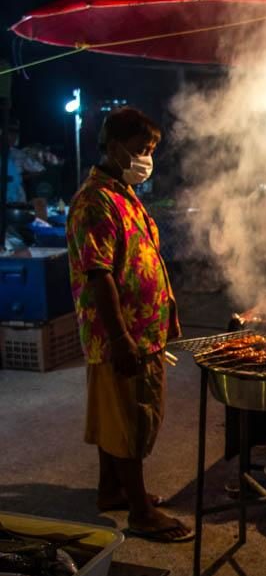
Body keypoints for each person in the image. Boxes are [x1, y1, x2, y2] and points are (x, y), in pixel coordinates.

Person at [66, 106, 193, 542]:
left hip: (141, 331)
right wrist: (120, 338)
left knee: (115, 416)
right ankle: (140, 512)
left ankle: (111, 490)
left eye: (151, 150)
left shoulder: (122, 192)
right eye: (142, 149)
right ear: (115, 146)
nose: (146, 157)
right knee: (132, 420)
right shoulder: (95, 200)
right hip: (122, 335)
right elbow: (99, 273)